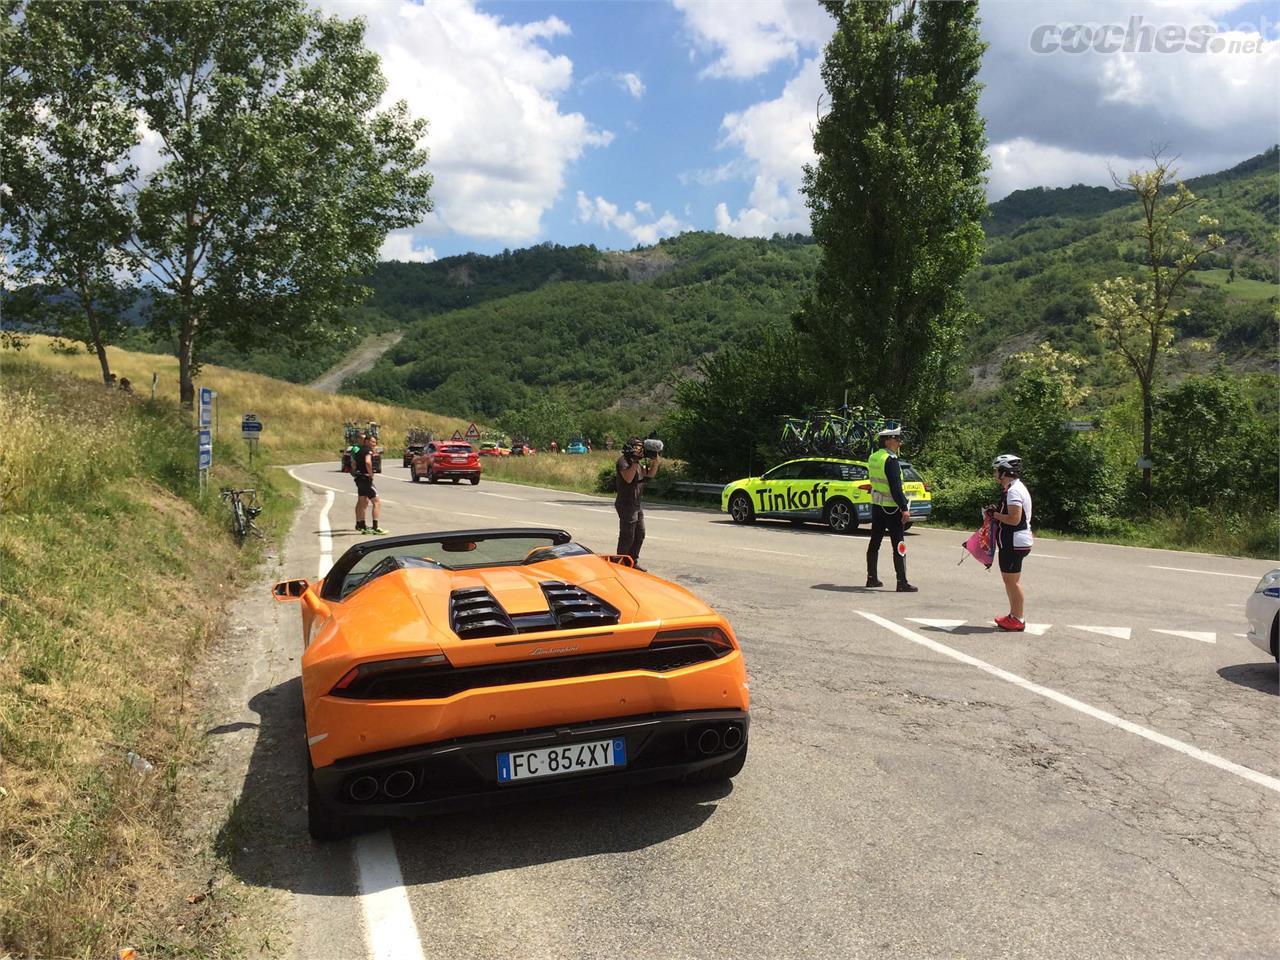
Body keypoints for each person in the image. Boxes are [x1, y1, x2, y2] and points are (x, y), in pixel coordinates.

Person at [865, 426, 917, 592]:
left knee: (875, 542)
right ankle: (902, 582)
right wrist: (904, 507)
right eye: (897, 439)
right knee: (899, 544)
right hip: (892, 508)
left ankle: (871, 578)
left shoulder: (874, 457)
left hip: (877, 506)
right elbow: (895, 487)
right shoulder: (891, 460)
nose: (899, 442)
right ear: (887, 441)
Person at [989, 454, 1032, 631]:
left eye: (996, 471)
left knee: (1012, 582)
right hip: (1014, 540)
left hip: (1014, 541)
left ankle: (1018, 619)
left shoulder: (1014, 491)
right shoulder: (1014, 488)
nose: (994, 475)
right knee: (1010, 580)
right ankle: (1014, 615)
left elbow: (1015, 519)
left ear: (1004, 472)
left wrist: (994, 515)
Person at [615, 436, 659, 569]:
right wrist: (635, 461)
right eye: (636, 446)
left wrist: (655, 461)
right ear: (630, 447)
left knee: (640, 534)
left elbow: (650, 474)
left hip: (636, 504)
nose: (639, 449)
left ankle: (632, 561)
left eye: (640, 447)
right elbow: (628, 478)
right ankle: (621, 562)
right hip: (626, 503)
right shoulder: (623, 461)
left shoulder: (638, 463)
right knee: (627, 535)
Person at [352, 431, 384, 534]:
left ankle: (362, 524)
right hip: (366, 479)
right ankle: (375, 527)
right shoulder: (367, 451)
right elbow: (368, 462)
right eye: (372, 441)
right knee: (376, 502)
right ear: (367, 441)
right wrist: (370, 474)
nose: (374, 444)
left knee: (362, 501)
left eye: (375, 442)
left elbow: (353, 463)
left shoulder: (359, 451)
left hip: (359, 478)